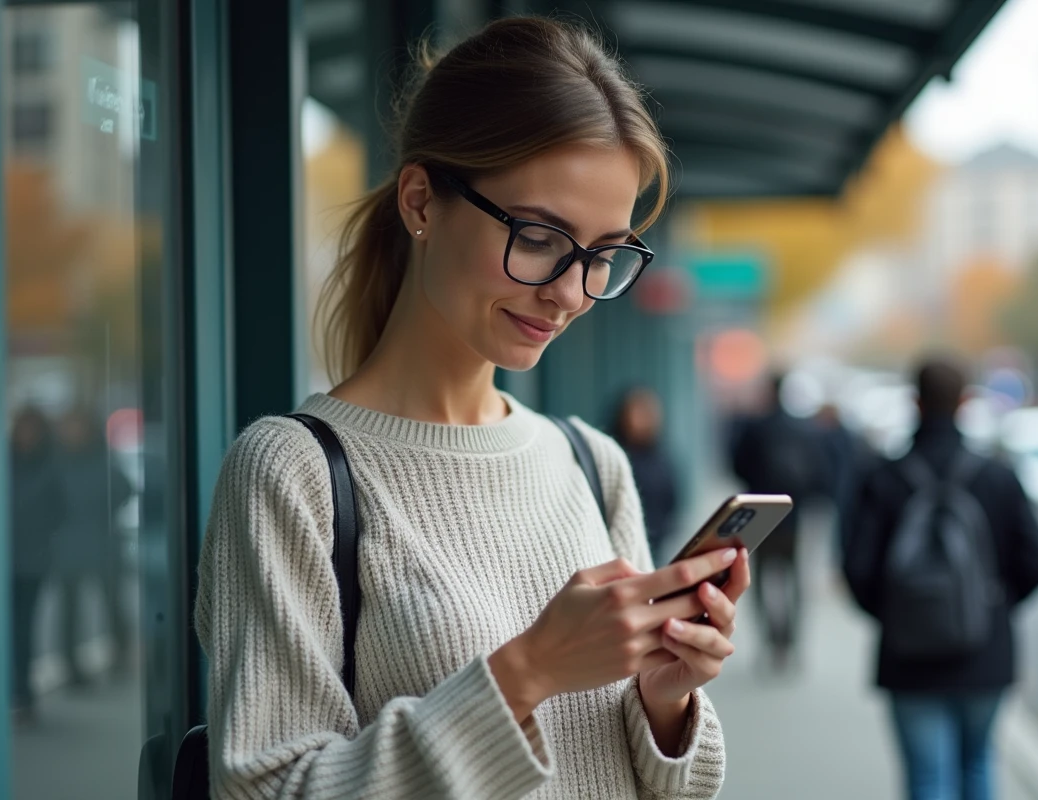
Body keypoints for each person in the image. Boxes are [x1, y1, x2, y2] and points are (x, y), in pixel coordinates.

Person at [194, 18, 744, 799]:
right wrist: (528, 671)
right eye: (541, 236)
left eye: (603, 255)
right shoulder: (294, 475)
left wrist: (665, 702)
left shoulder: (593, 465)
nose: (570, 292)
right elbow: (270, 788)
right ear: (421, 200)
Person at [843, 359, 1038, 800]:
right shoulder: (997, 475)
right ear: (965, 401)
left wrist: (897, 613)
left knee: (927, 778)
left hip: (907, 656)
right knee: (978, 766)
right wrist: (994, 604)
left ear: (915, 402)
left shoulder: (881, 478)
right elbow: (1037, 558)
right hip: (986, 650)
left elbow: (856, 568)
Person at [729, 372, 819, 666]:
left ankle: (770, 638)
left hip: (760, 514)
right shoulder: (802, 428)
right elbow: (818, 470)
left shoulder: (756, 427)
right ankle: (790, 639)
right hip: (793, 513)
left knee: (760, 579)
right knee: (794, 579)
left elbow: (736, 464)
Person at [53, 406, 134, 686]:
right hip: (69, 544)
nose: (72, 433)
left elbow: (124, 489)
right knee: (70, 608)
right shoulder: (57, 462)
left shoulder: (103, 460)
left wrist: (102, 513)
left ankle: (120, 655)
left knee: (112, 603)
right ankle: (71, 667)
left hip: (101, 541)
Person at [10, 405, 66, 723]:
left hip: (33, 561)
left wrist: (42, 532)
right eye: (22, 428)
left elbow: (62, 509)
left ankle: (23, 692)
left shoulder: (50, 465)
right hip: (0, 561)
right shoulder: (1, 462)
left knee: (23, 627)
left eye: (32, 429)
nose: (26, 435)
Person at [611, 387, 681, 560]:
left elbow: (672, 497)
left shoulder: (661, 458)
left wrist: (664, 529)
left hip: (656, 540)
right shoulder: (614, 455)